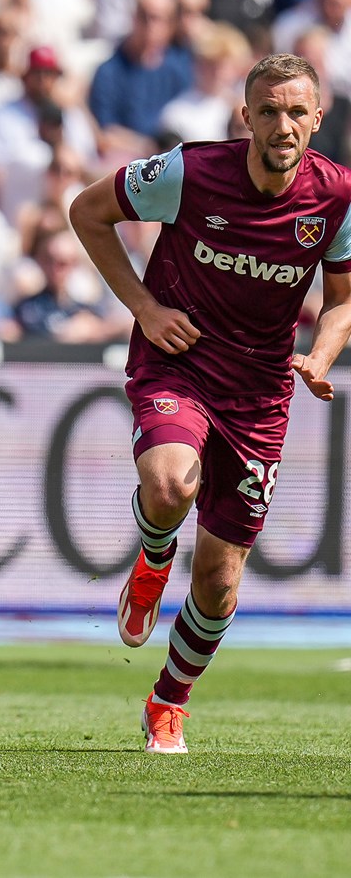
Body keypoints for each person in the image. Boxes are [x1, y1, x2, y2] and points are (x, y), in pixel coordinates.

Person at [68, 53, 351, 754]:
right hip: (180, 360)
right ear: (243, 116)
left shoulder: (338, 197)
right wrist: (144, 305)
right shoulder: (189, 171)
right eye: (268, 111)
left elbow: (343, 304)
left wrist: (319, 357)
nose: (282, 125)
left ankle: (168, 701)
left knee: (221, 584)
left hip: (261, 393)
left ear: (319, 117)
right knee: (168, 485)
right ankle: (153, 554)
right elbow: (87, 212)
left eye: (296, 111)